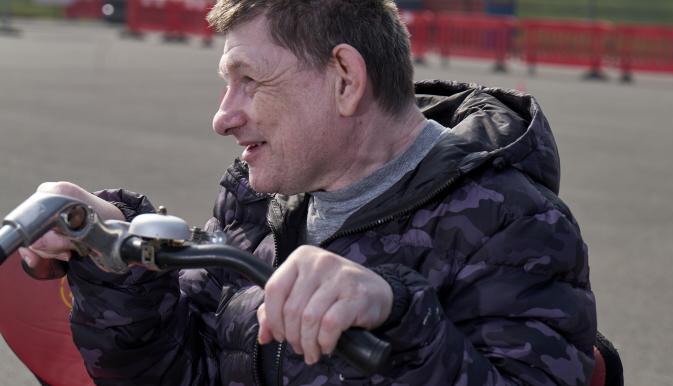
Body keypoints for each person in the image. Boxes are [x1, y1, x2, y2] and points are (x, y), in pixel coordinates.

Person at [15, 0, 597, 385]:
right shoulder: (256, 197)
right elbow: (171, 372)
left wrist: (396, 314)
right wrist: (111, 247)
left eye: (250, 81)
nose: (223, 117)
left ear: (345, 79)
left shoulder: (515, 224)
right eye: (226, 85)